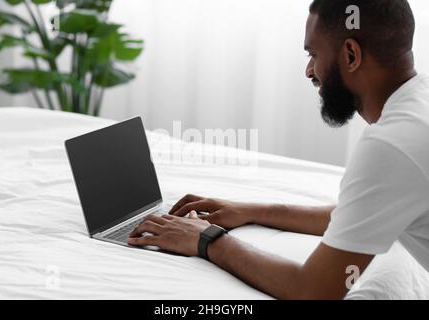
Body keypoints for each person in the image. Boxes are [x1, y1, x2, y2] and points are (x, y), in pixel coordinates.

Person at [128, 0, 429, 299]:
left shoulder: (390, 145)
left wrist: (206, 239)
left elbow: (314, 291)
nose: (309, 70)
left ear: (351, 54)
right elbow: (365, 211)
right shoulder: (420, 103)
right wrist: (251, 211)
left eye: (313, 54)